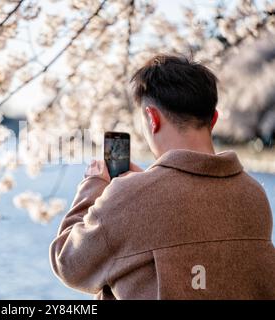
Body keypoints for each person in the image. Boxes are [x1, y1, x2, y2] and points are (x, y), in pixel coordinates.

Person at [49, 54, 275, 299]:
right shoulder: (254, 194)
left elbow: (69, 264)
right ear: (214, 120)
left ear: (152, 118)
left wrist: (93, 185)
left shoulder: (131, 197)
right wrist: (148, 182)